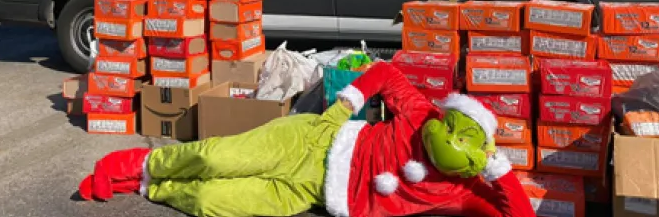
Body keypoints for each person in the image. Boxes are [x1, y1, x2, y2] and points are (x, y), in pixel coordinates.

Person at [78, 60, 536, 217]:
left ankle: (152, 186)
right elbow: (385, 72)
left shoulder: (464, 188)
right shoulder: (423, 112)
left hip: (306, 192)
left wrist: (501, 168)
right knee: (217, 159)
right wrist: (342, 107)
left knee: (215, 205)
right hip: (313, 142)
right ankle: (135, 165)